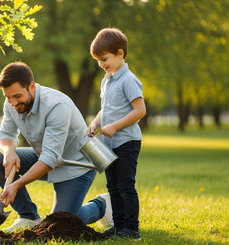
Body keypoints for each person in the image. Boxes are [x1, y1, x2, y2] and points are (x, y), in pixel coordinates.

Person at [0, 61, 112, 232]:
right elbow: (5, 135)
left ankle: (102, 205)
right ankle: (28, 217)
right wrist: (9, 152)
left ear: (31, 86)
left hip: (75, 165)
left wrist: (16, 185)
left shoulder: (56, 105)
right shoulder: (11, 103)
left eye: (17, 96)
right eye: (7, 97)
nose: (13, 102)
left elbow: (49, 159)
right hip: (46, 157)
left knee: (60, 224)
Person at [87, 27, 146, 240]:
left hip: (126, 142)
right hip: (109, 143)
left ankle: (131, 229)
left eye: (104, 59)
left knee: (125, 186)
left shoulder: (128, 80)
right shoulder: (107, 80)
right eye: (98, 61)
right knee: (112, 186)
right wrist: (95, 122)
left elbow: (140, 111)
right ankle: (119, 226)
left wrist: (115, 126)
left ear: (120, 54)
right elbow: (107, 109)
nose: (101, 65)